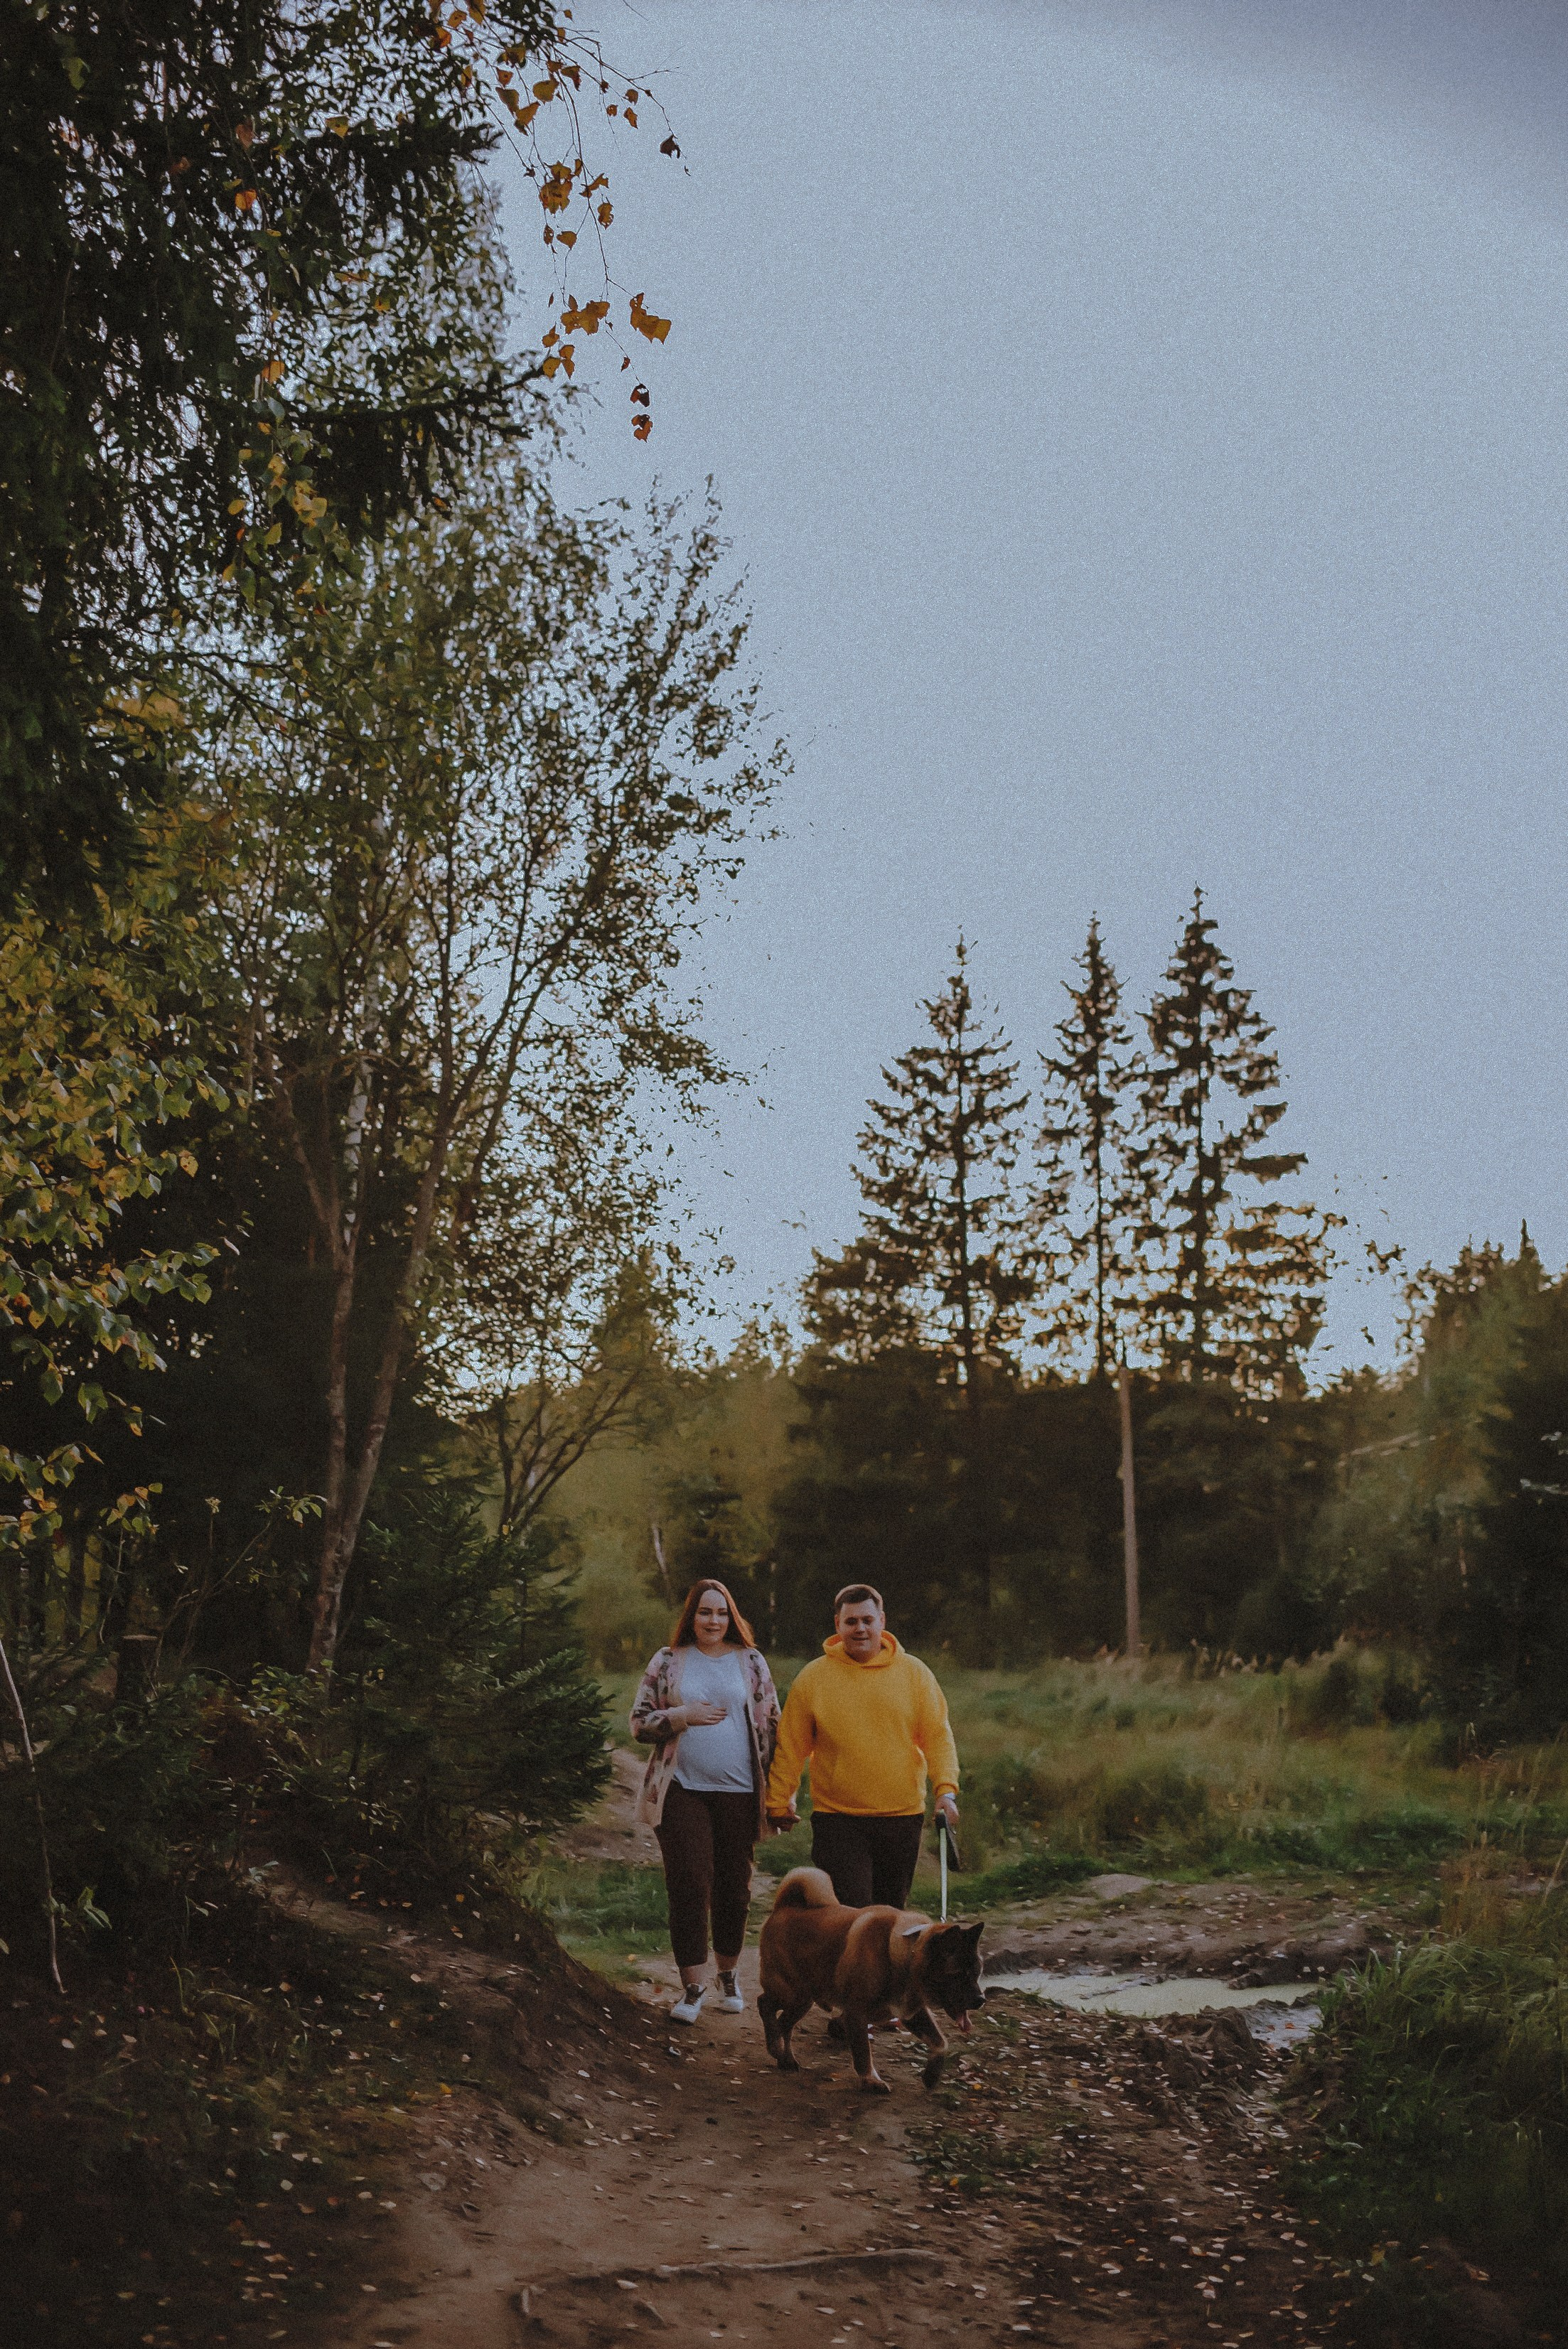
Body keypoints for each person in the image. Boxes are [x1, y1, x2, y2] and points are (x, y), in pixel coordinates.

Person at [630, 1578, 780, 2026]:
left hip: (740, 1793)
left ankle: (729, 1976)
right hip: (682, 1790)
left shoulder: (751, 1662)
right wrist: (681, 1716)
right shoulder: (668, 1661)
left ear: (731, 1617)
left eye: (720, 1613)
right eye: (704, 1613)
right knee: (690, 1882)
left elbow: (773, 1725)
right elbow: (638, 1724)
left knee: (733, 1887)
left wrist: (779, 1795)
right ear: (691, 1617)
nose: (713, 1621)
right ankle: (693, 1987)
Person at [765, 1582, 960, 1913]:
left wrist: (946, 1790)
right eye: (851, 1621)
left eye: (867, 1620)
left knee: (889, 1915)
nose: (860, 1629)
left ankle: (881, 1967)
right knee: (853, 1914)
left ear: (882, 1621)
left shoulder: (915, 1674)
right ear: (837, 1626)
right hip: (838, 1819)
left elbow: (938, 1737)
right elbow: (791, 1746)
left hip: (902, 1817)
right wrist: (778, 1801)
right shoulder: (813, 1678)